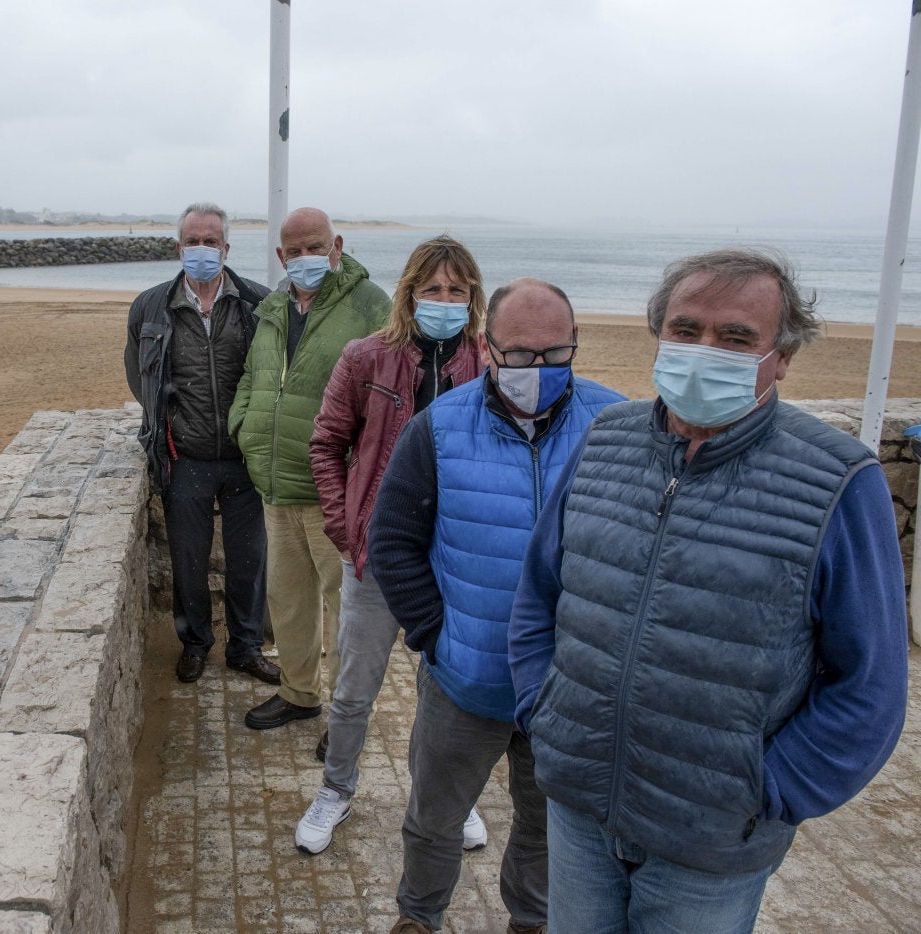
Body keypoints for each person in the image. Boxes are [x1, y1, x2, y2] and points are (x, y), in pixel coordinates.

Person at [508, 248, 909, 933]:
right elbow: (539, 595)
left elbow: (870, 683)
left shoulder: (838, 481)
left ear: (781, 357)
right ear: (659, 334)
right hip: (578, 808)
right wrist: (543, 709)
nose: (703, 350)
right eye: (687, 330)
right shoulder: (605, 440)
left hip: (713, 843)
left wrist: (771, 789)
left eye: (735, 338)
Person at [368, 278, 626, 934]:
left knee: (547, 830)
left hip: (568, 692)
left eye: (554, 355)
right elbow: (393, 540)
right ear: (487, 347)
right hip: (464, 682)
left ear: (575, 346)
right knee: (433, 820)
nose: (535, 371)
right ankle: (418, 917)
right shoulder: (439, 428)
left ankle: (531, 922)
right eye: (518, 355)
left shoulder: (619, 429)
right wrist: (435, 633)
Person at [296, 235, 489, 856]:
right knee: (356, 685)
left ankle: (444, 800)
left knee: (447, 686)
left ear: (473, 297)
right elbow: (327, 443)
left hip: (455, 559)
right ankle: (336, 788)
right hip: (378, 555)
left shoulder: (491, 362)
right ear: (409, 292)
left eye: (456, 290)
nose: (444, 299)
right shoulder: (366, 358)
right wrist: (344, 525)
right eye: (432, 288)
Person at [228, 206, 390, 730]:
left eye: (315, 247)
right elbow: (256, 373)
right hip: (276, 486)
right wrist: (244, 427)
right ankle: (299, 693)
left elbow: (387, 394)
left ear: (336, 245)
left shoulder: (369, 305)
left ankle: (347, 717)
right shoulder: (274, 306)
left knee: (346, 611)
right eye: (294, 251)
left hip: (334, 490)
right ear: (280, 256)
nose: (305, 258)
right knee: (289, 601)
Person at [124, 202, 280, 686]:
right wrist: (167, 422)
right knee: (187, 560)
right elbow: (138, 376)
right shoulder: (150, 306)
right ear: (179, 247)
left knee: (249, 561)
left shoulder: (257, 302)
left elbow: (273, 375)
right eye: (193, 240)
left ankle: (246, 646)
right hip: (183, 457)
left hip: (243, 459)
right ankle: (195, 645)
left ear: (227, 248)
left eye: (211, 241)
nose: (202, 249)